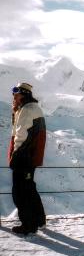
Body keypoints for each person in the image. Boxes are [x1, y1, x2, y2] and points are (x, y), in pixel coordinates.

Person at [8, 82, 46, 235]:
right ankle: (39, 219)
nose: (14, 97)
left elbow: (20, 135)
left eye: (16, 94)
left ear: (23, 94)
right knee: (29, 188)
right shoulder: (34, 108)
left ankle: (28, 225)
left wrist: (14, 155)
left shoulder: (26, 110)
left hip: (23, 155)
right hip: (31, 156)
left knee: (19, 192)